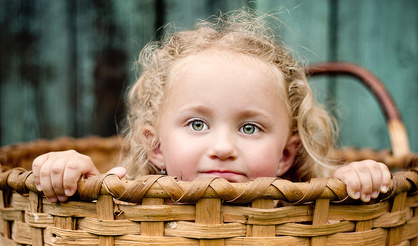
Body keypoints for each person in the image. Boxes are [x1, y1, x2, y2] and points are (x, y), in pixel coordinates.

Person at [32, 9, 390, 204]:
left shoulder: (304, 211)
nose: (222, 149)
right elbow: (95, 222)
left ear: (285, 155)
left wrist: (353, 186)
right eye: (197, 124)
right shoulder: (131, 203)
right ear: (155, 146)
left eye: (250, 128)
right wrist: (76, 178)